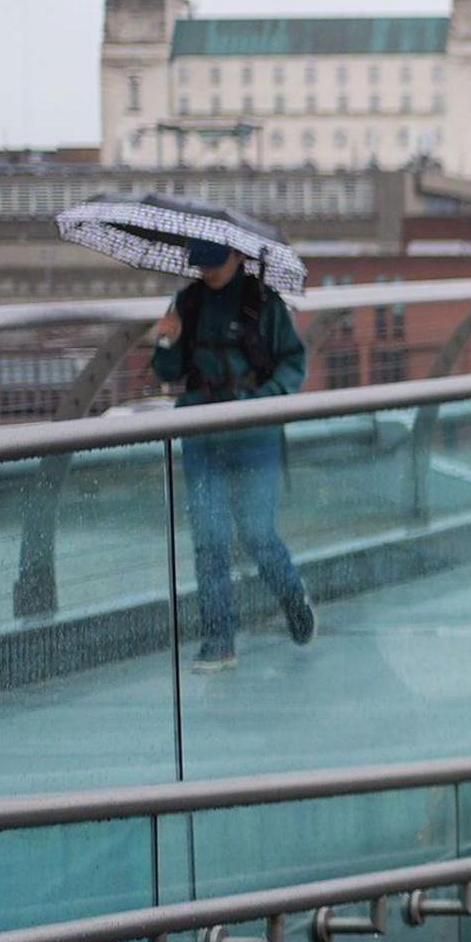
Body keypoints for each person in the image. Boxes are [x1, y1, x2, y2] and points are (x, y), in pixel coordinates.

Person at [150, 239, 318, 674]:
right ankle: (218, 640)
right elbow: (169, 373)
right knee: (209, 537)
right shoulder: (186, 302)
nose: (206, 271)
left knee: (256, 531)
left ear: (240, 256)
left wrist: (262, 402)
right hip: (200, 430)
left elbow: (292, 364)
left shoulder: (264, 304)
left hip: (254, 429)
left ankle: (292, 594)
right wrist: (166, 342)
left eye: (215, 263)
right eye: (200, 263)